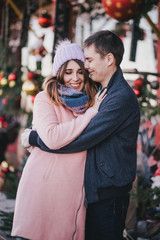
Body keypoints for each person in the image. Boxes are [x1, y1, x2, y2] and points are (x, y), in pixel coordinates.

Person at [21, 30, 140, 240]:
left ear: (109, 59)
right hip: (90, 190)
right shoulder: (97, 93)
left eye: (89, 60)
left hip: (107, 191)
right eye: (69, 71)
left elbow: (82, 140)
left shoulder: (117, 97)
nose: (86, 67)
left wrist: (35, 139)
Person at [11, 40, 106, 240]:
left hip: (74, 188)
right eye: (69, 71)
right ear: (59, 72)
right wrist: (89, 115)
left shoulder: (93, 99)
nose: (76, 78)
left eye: (80, 71)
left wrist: (33, 138)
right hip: (45, 185)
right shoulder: (46, 98)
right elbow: (53, 138)